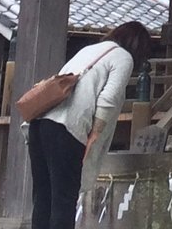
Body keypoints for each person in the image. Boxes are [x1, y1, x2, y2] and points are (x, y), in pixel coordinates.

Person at [27, 20, 153, 229]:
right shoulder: (123, 57)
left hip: (39, 123)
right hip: (66, 128)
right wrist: (95, 133)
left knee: (43, 197)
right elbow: (109, 98)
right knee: (64, 199)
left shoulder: (89, 50)